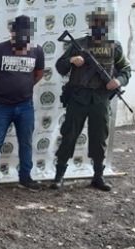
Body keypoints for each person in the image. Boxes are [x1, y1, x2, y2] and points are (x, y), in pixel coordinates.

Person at [52, 8, 131, 191]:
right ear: (90, 25)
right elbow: (60, 66)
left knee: (99, 139)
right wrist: (72, 60)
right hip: (78, 99)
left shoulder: (114, 47)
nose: (99, 28)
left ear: (107, 26)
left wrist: (118, 81)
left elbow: (126, 70)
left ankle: (98, 176)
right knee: (69, 136)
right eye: (96, 24)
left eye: (102, 24)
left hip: (100, 100)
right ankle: (59, 176)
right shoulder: (78, 44)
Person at [0, 15, 44, 194]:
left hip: (25, 106)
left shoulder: (37, 50)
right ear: (12, 31)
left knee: (26, 143)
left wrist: (24, 87)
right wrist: (2, 90)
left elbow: (39, 74)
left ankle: (25, 178)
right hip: (2, 106)